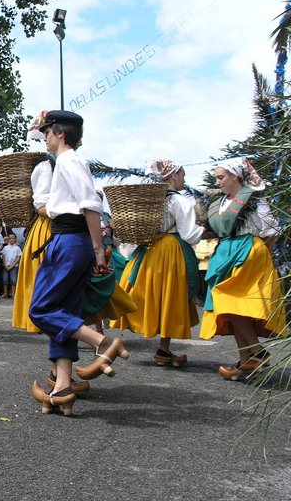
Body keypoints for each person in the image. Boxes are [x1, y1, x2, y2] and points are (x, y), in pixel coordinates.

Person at [28, 110, 129, 416]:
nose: (45, 137)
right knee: (66, 312)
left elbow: (90, 204)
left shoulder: (69, 160)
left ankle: (102, 343)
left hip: (70, 240)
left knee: (41, 309)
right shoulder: (66, 162)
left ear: (60, 133)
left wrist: (98, 250)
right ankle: (62, 388)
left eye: (48, 132)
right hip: (71, 239)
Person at [200, 158, 285, 380]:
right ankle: (247, 360)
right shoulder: (221, 202)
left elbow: (272, 230)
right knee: (233, 307)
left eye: (221, 177)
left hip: (248, 252)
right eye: (217, 178)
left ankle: (257, 352)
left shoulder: (254, 200)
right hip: (225, 253)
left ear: (235, 176)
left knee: (228, 301)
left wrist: (260, 252)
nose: (218, 182)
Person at [114, 159, 204, 367]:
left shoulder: (149, 200)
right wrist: (203, 230)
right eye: (182, 175)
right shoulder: (178, 201)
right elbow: (189, 234)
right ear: (173, 176)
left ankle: (163, 350)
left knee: (150, 292)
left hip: (149, 250)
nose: (184, 180)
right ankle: (162, 348)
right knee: (170, 296)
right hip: (171, 250)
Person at [13, 115, 53, 334]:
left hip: (63, 228)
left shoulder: (67, 163)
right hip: (49, 229)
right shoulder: (46, 167)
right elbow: (41, 204)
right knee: (47, 279)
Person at [1, 234, 21, 298]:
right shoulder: (5, 248)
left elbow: (18, 257)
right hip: (6, 266)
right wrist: (5, 265)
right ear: (8, 239)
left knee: (13, 280)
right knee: (5, 279)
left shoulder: (17, 248)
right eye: (10, 238)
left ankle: (13, 293)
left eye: (13, 238)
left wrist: (12, 265)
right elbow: (3, 256)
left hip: (14, 266)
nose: (11, 239)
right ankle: (5, 293)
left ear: (15, 239)